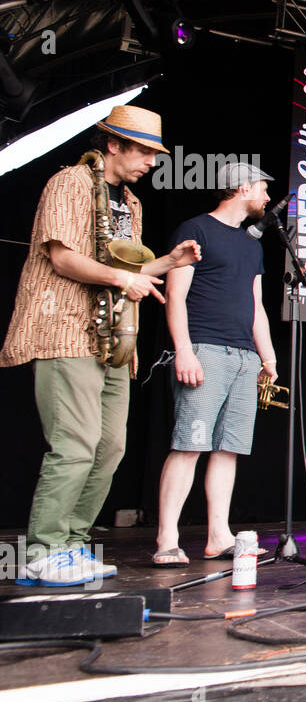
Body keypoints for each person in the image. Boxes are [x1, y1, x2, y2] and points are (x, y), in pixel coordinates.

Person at [1, 106, 200, 586]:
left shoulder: (130, 201)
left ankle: (69, 546)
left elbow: (127, 272)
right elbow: (63, 257)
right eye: (146, 151)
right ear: (113, 144)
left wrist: (167, 261)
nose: (152, 161)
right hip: (65, 328)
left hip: (111, 339)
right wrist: (120, 278)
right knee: (73, 445)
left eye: (155, 153)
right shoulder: (67, 183)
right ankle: (42, 549)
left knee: (110, 447)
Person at [152, 161, 276, 566]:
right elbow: (176, 294)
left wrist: (267, 354)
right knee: (189, 444)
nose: (267, 197)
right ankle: (167, 540)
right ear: (241, 188)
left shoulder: (253, 245)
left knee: (228, 449)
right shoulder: (196, 230)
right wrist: (184, 349)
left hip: (243, 356)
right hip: (204, 349)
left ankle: (218, 537)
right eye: (262, 188)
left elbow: (256, 305)